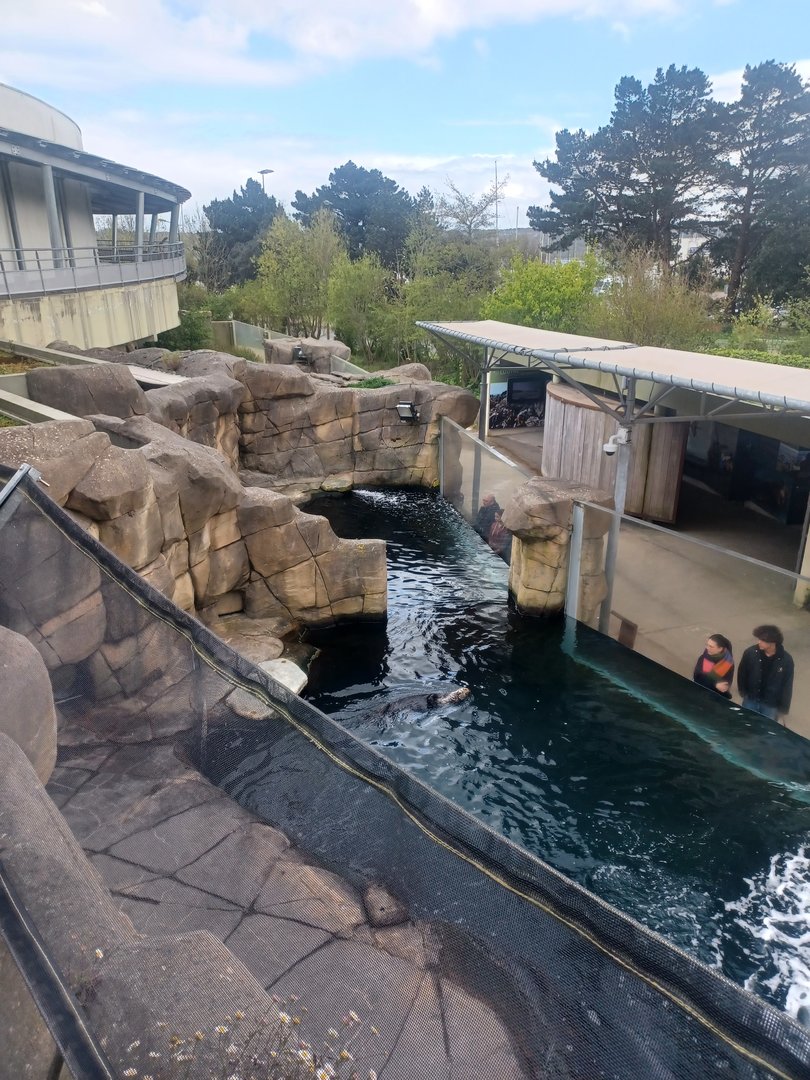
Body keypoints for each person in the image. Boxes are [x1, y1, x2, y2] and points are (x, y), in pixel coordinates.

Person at [736, 625, 794, 722]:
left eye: (763, 640)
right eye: (759, 639)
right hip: (751, 698)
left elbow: (787, 684)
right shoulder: (750, 653)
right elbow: (742, 673)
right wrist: (743, 692)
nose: (759, 642)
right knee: (745, 723)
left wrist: (783, 708)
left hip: (771, 704)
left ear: (773, 642)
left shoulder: (786, 660)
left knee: (766, 729)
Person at [693, 634, 734, 698]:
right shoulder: (703, 658)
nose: (707, 648)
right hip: (700, 694)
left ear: (720, 649)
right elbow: (697, 678)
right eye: (707, 645)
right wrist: (715, 685)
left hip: (715, 698)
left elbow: (725, 686)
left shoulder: (728, 663)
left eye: (711, 646)